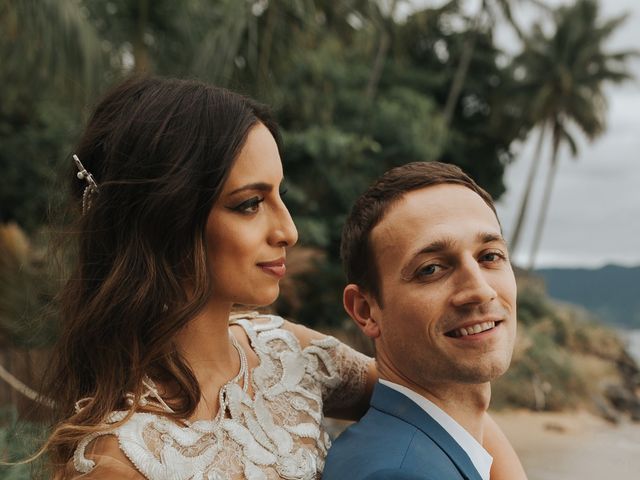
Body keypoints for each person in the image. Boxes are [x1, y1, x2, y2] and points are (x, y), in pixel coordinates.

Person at [37, 77, 524, 479]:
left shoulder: (288, 353)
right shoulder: (118, 458)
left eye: (278, 194)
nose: (287, 230)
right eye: (249, 204)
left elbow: (447, 401)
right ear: (166, 220)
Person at [323, 162, 527, 480]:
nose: (480, 291)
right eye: (431, 269)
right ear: (365, 310)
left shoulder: (434, 446)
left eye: (489, 256)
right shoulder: (398, 473)